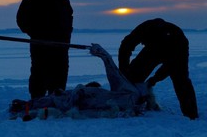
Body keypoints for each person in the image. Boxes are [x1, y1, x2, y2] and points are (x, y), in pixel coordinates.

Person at [9, 44, 151, 120]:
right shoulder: (128, 101)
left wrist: (103, 54)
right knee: (56, 99)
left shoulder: (129, 95)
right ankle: (27, 107)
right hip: (85, 100)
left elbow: (114, 73)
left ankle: (27, 107)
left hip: (82, 99)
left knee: (56, 99)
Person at [118, 18, 198, 119]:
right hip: (156, 45)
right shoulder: (145, 29)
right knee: (133, 75)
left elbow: (170, 67)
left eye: (143, 42)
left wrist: (153, 80)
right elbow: (125, 46)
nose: (142, 44)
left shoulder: (176, 43)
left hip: (174, 46)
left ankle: (191, 114)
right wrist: (123, 71)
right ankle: (133, 102)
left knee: (181, 80)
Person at [16, 0, 73, 99]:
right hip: (40, 45)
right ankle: (37, 99)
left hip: (61, 46)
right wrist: (36, 34)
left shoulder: (63, 0)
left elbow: (68, 21)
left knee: (60, 73)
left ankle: (57, 99)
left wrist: (66, 40)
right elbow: (21, 20)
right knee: (39, 72)